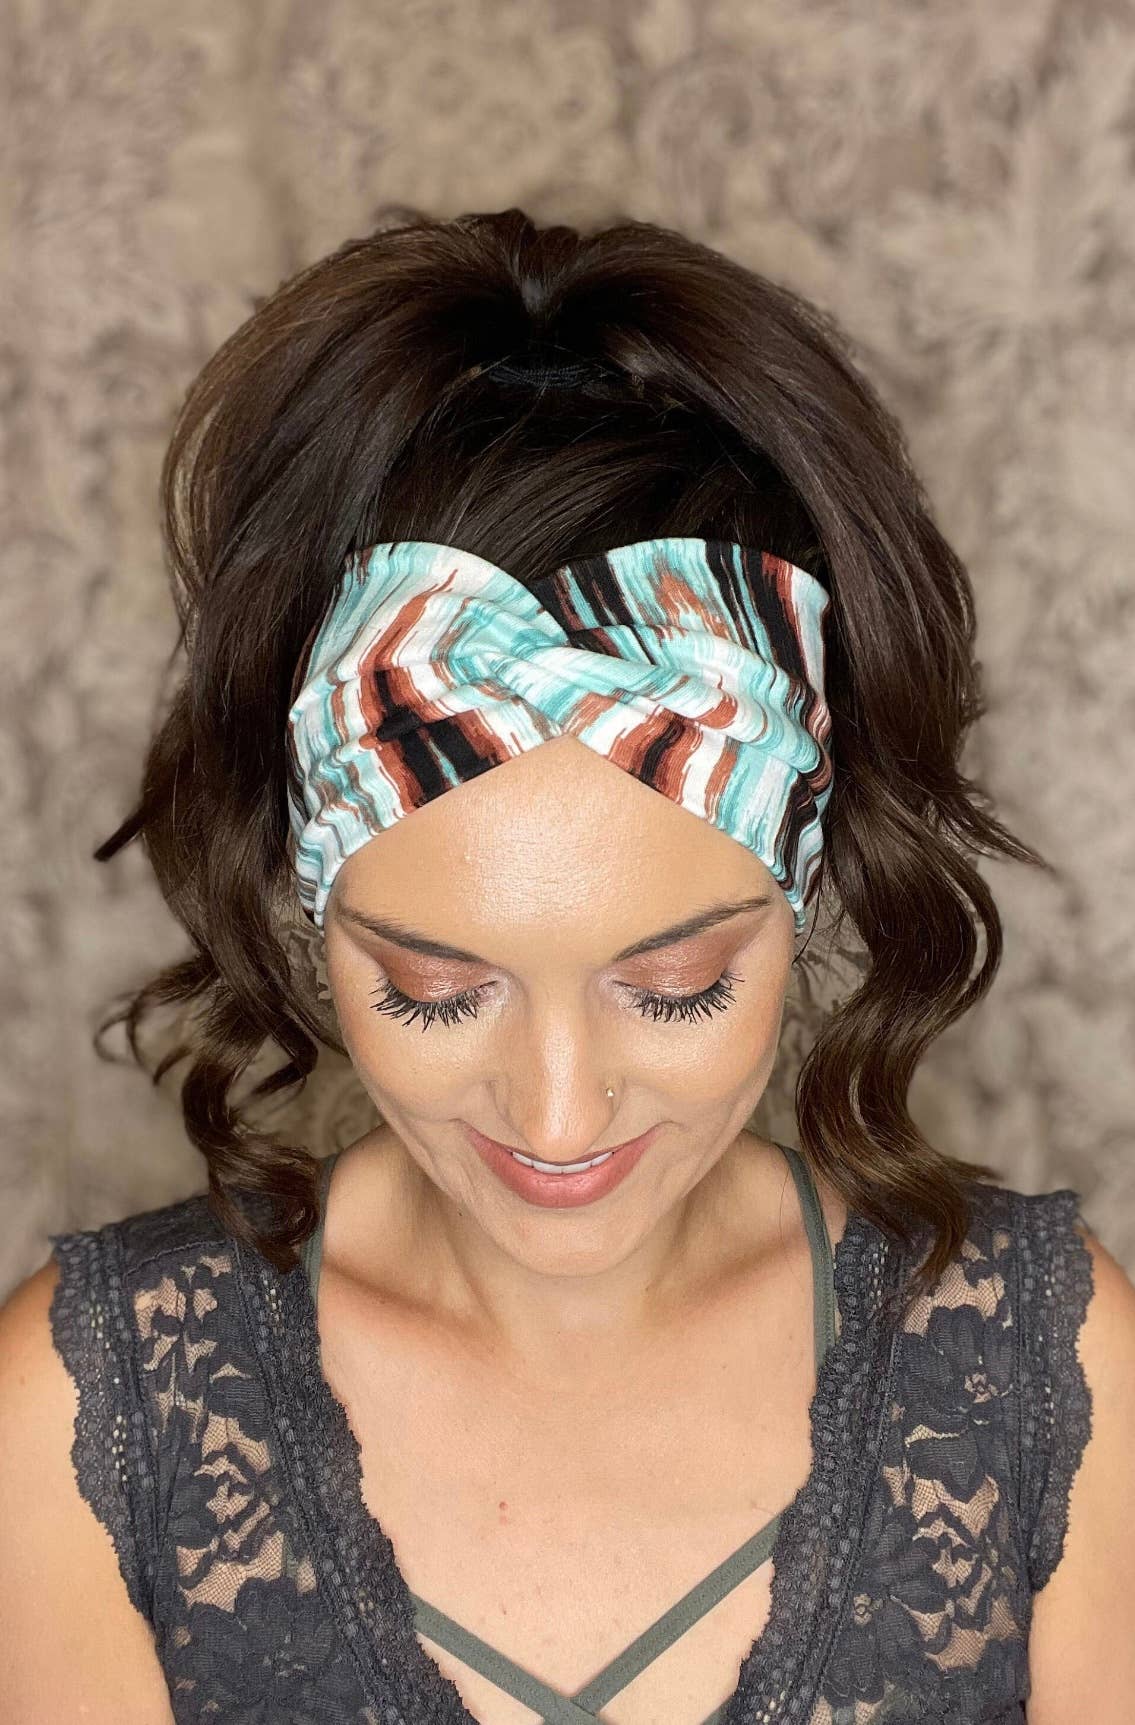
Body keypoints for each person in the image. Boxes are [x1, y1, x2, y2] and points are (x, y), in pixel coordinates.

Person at [1, 206, 1132, 1725]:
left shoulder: (1053, 1372)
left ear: (807, 890)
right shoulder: (85, 1422)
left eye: (673, 987)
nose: (555, 1115)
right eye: (435, 990)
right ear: (307, 913)